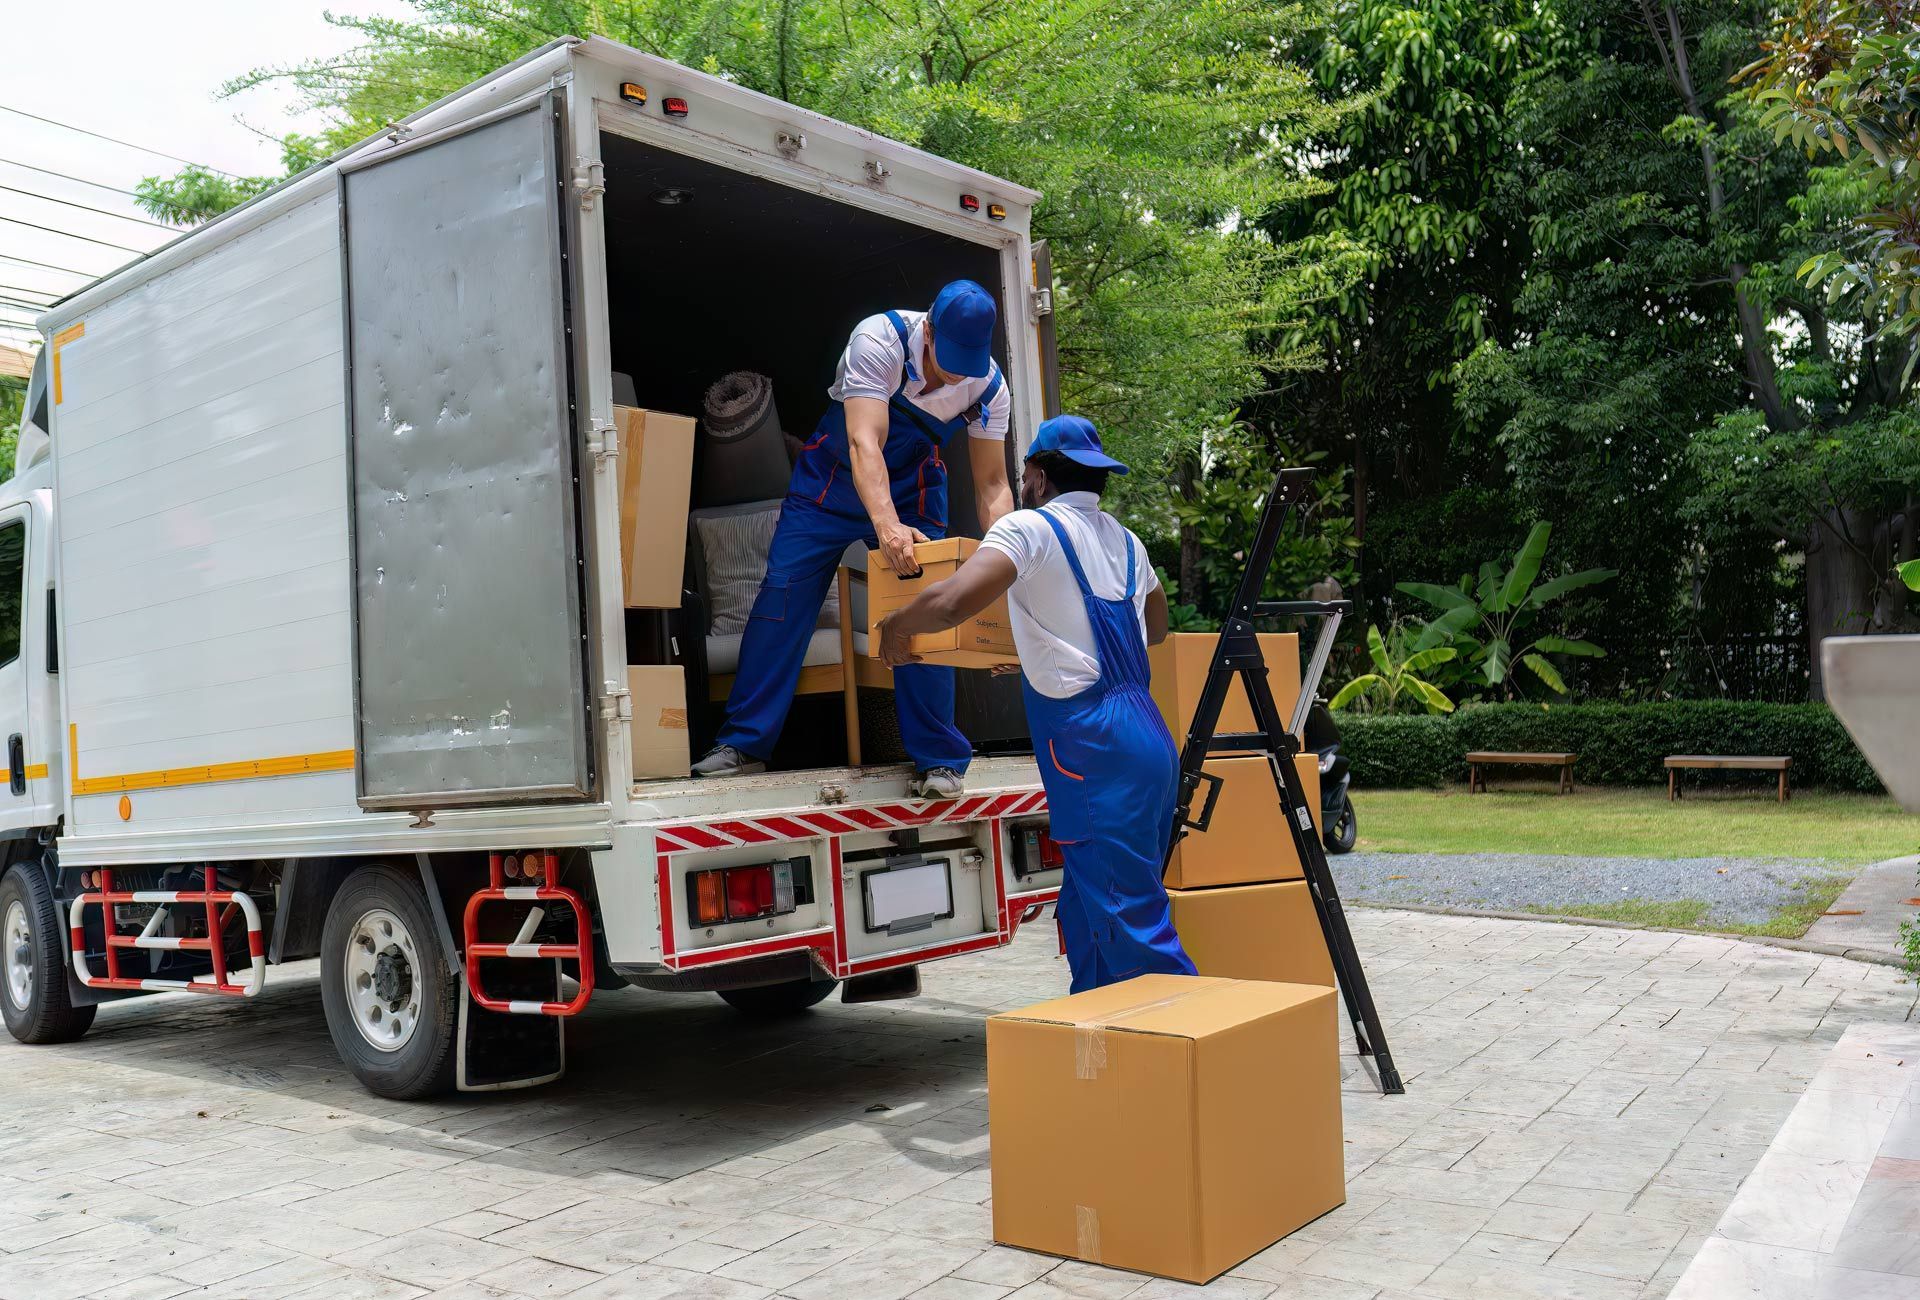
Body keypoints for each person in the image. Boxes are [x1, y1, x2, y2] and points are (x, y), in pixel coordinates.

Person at [875, 415, 1196, 992]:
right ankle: (1102, 1050)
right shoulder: (1127, 540)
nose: (1021, 487)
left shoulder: (1030, 529)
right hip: (1147, 735)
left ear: (1040, 478)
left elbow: (950, 603)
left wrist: (896, 625)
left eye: (1024, 476)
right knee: (1085, 910)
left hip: (1093, 746)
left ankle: (1187, 1058)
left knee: (1132, 923)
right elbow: (1156, 627)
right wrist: (1046, 651)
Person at [692, 281, 1016, 796]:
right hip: (833, 482)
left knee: (927, 607)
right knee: (782, 597)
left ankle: (939, 761)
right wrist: (887, 528)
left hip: (914, 489)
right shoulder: (879, 340)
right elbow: (866, 442)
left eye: (967, 364)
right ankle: (744, 744)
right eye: (948, 358)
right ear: (928, 330)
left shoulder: (989, 386)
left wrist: (1005, 570)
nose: (955, 374)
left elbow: (994, 486)